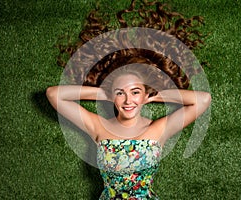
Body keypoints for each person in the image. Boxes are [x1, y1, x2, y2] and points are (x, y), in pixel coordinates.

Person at [47, 0, 211, 199]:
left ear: (144, 93)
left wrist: (154, 96)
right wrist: (104, 92)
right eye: (120, 93)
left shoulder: (159, 129)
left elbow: (203, 100)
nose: (127, 100)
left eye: (134, 92)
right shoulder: (98, 126)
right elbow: (54, 94)